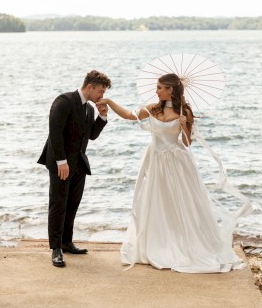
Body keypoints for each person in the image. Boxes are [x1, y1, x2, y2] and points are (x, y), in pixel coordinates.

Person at [96, 73, 252, 273]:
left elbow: (187, 143)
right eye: (157, 87)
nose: (156, 90)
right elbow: (128, 115)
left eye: (160, 87)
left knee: (180, 202)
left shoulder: (184, 110)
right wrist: (108, 101)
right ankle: (157, 243)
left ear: (171, 89)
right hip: (155, 160)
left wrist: (185, 124)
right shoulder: (154, 108)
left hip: (177, 163)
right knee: (156, 201)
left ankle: (185, 243)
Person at [38, 70, 111, 268]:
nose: (102, 96)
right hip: (61, 163)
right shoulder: (64, 100)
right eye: (101, 91)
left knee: (73, 204)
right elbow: (55, 132)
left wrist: (102, 118)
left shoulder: (89, 109)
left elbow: (91, 136)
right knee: (58, 204)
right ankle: (56, 249)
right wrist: (61, 162)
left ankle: (67, 242)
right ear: (90, 87)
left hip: (79, 163)